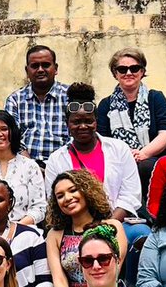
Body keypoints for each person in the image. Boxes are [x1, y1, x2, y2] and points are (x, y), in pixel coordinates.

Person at [43, 84, 142, 221]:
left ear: (96, 122)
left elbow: (130, 195)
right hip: (75, 225)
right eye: (76, 122)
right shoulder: (56, 159)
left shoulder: (119, 149)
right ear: (67, 124)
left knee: (141, 233)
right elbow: (54, 199)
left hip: (116, 221)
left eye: (88, 121)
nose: (83, 126)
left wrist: (108, 224)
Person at [96, 48, 166, 191]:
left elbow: (165, 133)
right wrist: (125, 156)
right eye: (122, 69)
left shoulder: (155, 98)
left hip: (154, 160)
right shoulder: (105, 105)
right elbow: (103, 141)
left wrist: (143, 154)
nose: (128, 73)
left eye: (134, 68)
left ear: (142, 71)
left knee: (145, 166)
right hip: (118, 161)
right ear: (115, 74)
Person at [45, 171, 127, 287]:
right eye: (60, 196)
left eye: (73, 190)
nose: (67, 198)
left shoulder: (112, 226)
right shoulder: (55, 235)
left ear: (86, 191)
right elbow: (59, 279)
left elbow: (114, 271)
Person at [4, 44, 69, 165]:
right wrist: (32, 168)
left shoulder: (70, 96)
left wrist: (55, 167)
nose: (40, 70)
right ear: (27, 71)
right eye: (34, 66)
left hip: (64, 165)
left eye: (45, 65)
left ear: (56, 68)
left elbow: (75, 138)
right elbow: (12, 138)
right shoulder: (15, 100)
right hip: (24, 166)